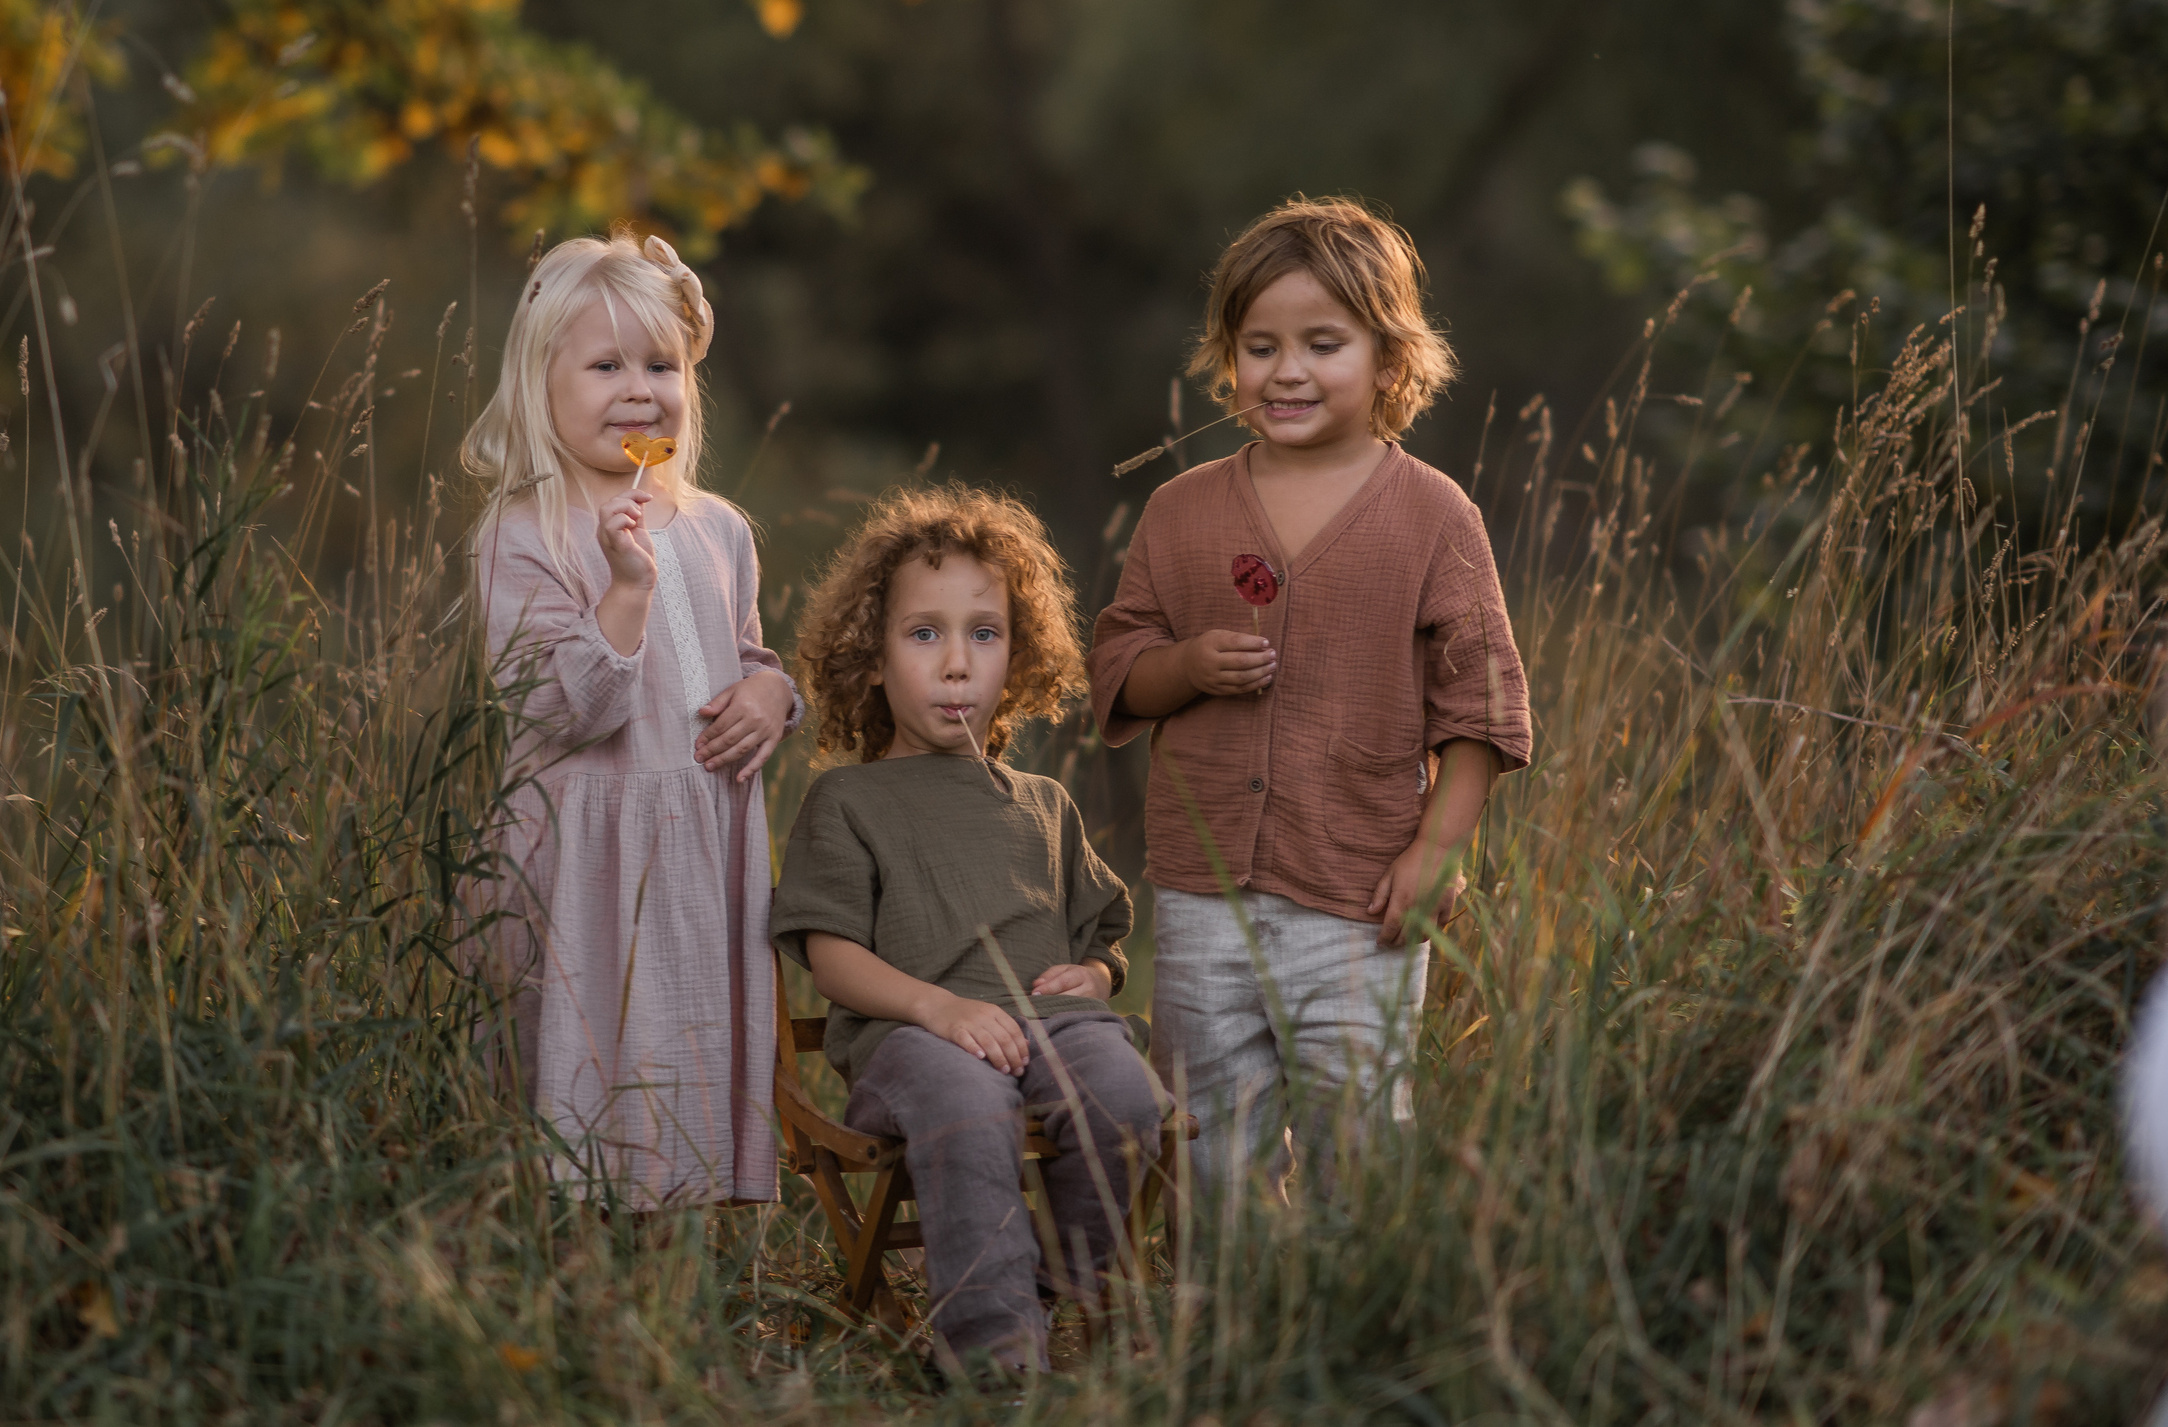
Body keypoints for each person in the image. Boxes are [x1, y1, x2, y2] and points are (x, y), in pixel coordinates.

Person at [1090, 195, 1532, 1206]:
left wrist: (1437, 850)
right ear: (1227, 359)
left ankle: (1347, 1293)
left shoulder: (1433, 514)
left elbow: (1481, 705)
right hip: (1205, 893)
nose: (1286, 371)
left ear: (1389, 360)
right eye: (1260, 347)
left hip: (1360, 893)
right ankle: (1225, 1298)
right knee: (1208, 1137)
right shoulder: (1180, 509)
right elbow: (1121, 665)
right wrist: (1186, 666)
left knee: (1359, 1133)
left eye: (1322, 345)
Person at [771, 486, 1165, 1374]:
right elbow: (831, 958)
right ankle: (994, 1352)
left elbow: (1101, 934)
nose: (957, 664)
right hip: (913, 1044)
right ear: (872, 658)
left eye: (984, 634)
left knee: (1127, 1095)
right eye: (925, 634)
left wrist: (1096, 976)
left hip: (1050, 1025)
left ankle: (1050, 1284)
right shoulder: (849, 799)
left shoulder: (1043, 803)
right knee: (969, 1100)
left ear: (1017, 659)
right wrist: (940, 1009)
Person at [463, 228, 800, 1208]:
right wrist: (624, 591)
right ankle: (572, 1240)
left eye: (661, 365)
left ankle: (679, 1244)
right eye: (606, 366)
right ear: (542, 383)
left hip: (701, 835)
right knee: (593, 1044)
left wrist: (774, 694)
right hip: (588, 847)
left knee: (687, 1034)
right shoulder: (523, 533)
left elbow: (744, 657)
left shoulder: (717, 528)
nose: (639, 390)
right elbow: (562, 707)